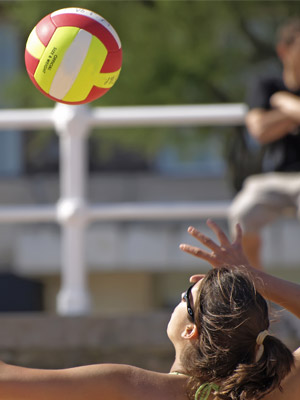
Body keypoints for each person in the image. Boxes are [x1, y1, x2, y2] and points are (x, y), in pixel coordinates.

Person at [0, 220, 299, 400]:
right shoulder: (277, 392)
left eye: (186, 297)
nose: (180, 300)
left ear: (190, 330)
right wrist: (253, 277)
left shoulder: (129, 386)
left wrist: (247, 275)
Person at [229, 18, 300, 270]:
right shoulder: (266, 85)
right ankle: (257, 292)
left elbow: (268, 125)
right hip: (275, 177)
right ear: (284, 50)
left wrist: (286, 104)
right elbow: (259, 130)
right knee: (242, 213)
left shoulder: (278, 96)